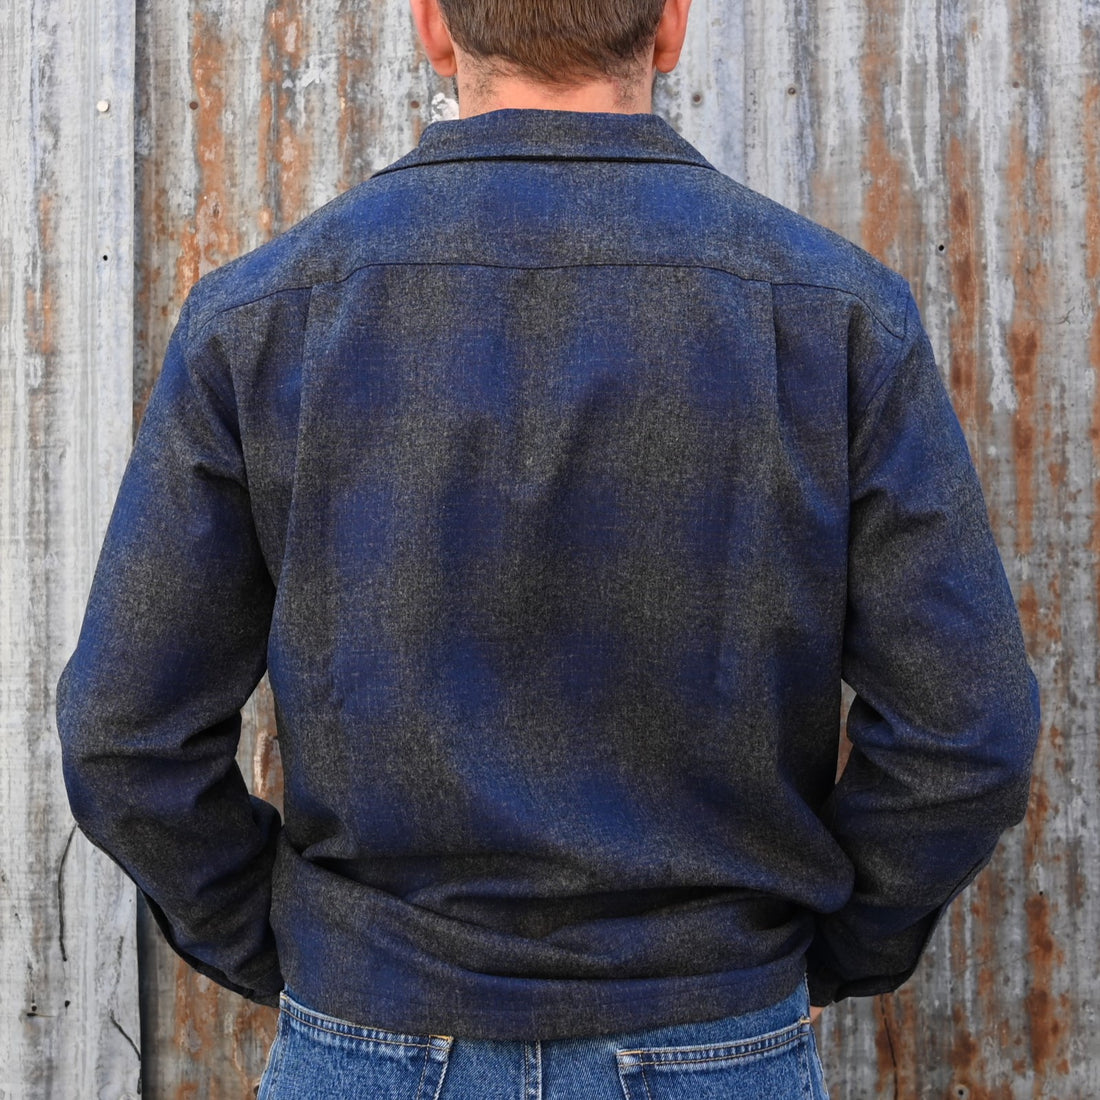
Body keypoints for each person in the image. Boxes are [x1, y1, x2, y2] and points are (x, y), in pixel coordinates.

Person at [56, 0, 1040, 1095]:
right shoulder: (838, 316)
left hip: (372, 1029)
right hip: (714, 1027)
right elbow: (968, 731)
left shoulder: (262, 319)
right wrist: (831, 950)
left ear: (432, 25)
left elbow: (124, 736)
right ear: (670, 25)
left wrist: (310, 950)